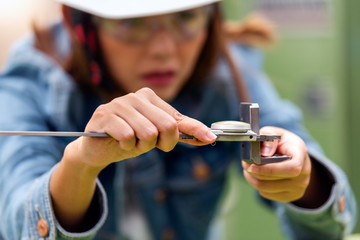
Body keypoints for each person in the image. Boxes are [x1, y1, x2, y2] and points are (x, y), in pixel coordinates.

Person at [0, 0, 357, 239]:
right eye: (132, 23)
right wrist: (79, 166)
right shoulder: (31, 80)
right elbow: (16, 221)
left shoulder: (228, 72)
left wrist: (305, 181)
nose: (164, 49)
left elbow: (335, 219)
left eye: (186, 18)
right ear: (80, 25)